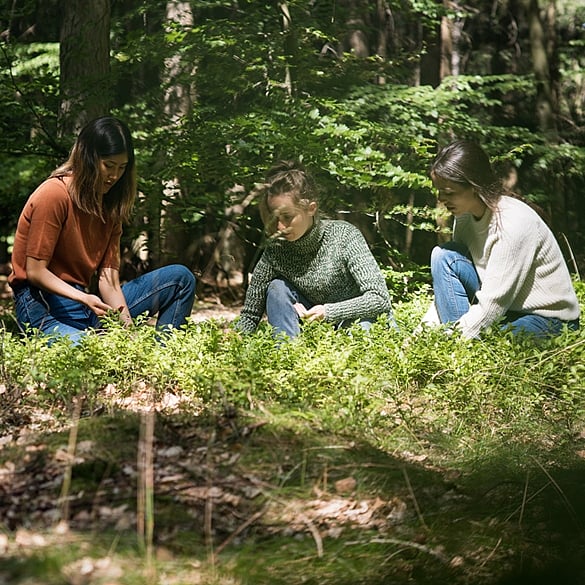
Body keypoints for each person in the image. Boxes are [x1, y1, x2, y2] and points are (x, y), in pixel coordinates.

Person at [8, 116, 196, 345]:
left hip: (86, 303)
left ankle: (163, 356)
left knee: (180, 278)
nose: (115, 176)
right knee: (90, 357)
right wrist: (84, 298)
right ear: (88, 158)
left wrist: (129, 333)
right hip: (41, 306)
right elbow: (35, 272)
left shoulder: (110, 207)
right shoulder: (54, 194)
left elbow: (110, 282)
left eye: (122, 168)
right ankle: (91, 339)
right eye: (108, 166)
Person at [424, 139, 580, 340]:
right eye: (438, 190)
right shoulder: (463, 218)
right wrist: (422, 334)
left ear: (474, 186)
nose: (441, 199)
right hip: (506, 308)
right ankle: (462, 343)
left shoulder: (512, 223)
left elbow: (493, 305)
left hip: (547, 319)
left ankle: (460, 345)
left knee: (495, 342)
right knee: (443, 256)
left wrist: (449, 343)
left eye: (448, 192)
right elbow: (446, 291)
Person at [235, 159, 394, 338]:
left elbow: (380, 299)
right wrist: (233, 342)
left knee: (361, 332)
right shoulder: (276, 249)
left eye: (287, 217)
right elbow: (250, 315)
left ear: (311, 208)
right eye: (275, 218)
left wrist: (329, 311)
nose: (280, 227)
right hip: (315, 327)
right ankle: (286, 354)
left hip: (360, 319)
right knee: (276, 288)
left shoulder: (344, 236)